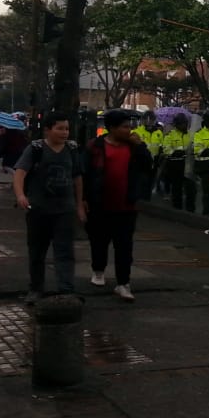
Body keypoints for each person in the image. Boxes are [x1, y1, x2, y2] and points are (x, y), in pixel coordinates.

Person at [82, 109, 152, 302]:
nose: (129, 130)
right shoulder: (95, 146)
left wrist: (141, 146)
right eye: (124, 127)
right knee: (99, 241)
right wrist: (83, 199)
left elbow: (148, 165)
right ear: (112, 128)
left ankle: (123, 283)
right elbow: (85, 173)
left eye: (130, 126)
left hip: (126, 206)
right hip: (100, 204)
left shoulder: (133, 146)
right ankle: (98, 270)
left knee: (124, 246)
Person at [13, 112, 84, 303]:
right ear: (48, 130)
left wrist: (79, 205)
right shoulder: (36, 148)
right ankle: (36, 289)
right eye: (59, 128)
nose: (64, 132)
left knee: (65, 252)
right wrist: (20, 195)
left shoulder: (72, 149)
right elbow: (20, 173)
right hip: (38, 209)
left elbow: (77, 178)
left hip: (64, 210)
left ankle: (66, 290)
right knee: (37, 252)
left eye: (66, 128)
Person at [161, 114, 195, 212]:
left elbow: (194, 146)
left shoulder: (191, 134)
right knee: (177, 187)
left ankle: (190, 209)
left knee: (191, 188)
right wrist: (174, 152)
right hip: (176, 164)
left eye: (185, 123)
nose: (184, 126)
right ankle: (177, 208)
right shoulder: (170, 135)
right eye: (181, 124)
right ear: (176, 125)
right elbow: (166, 148)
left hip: (188, 163)